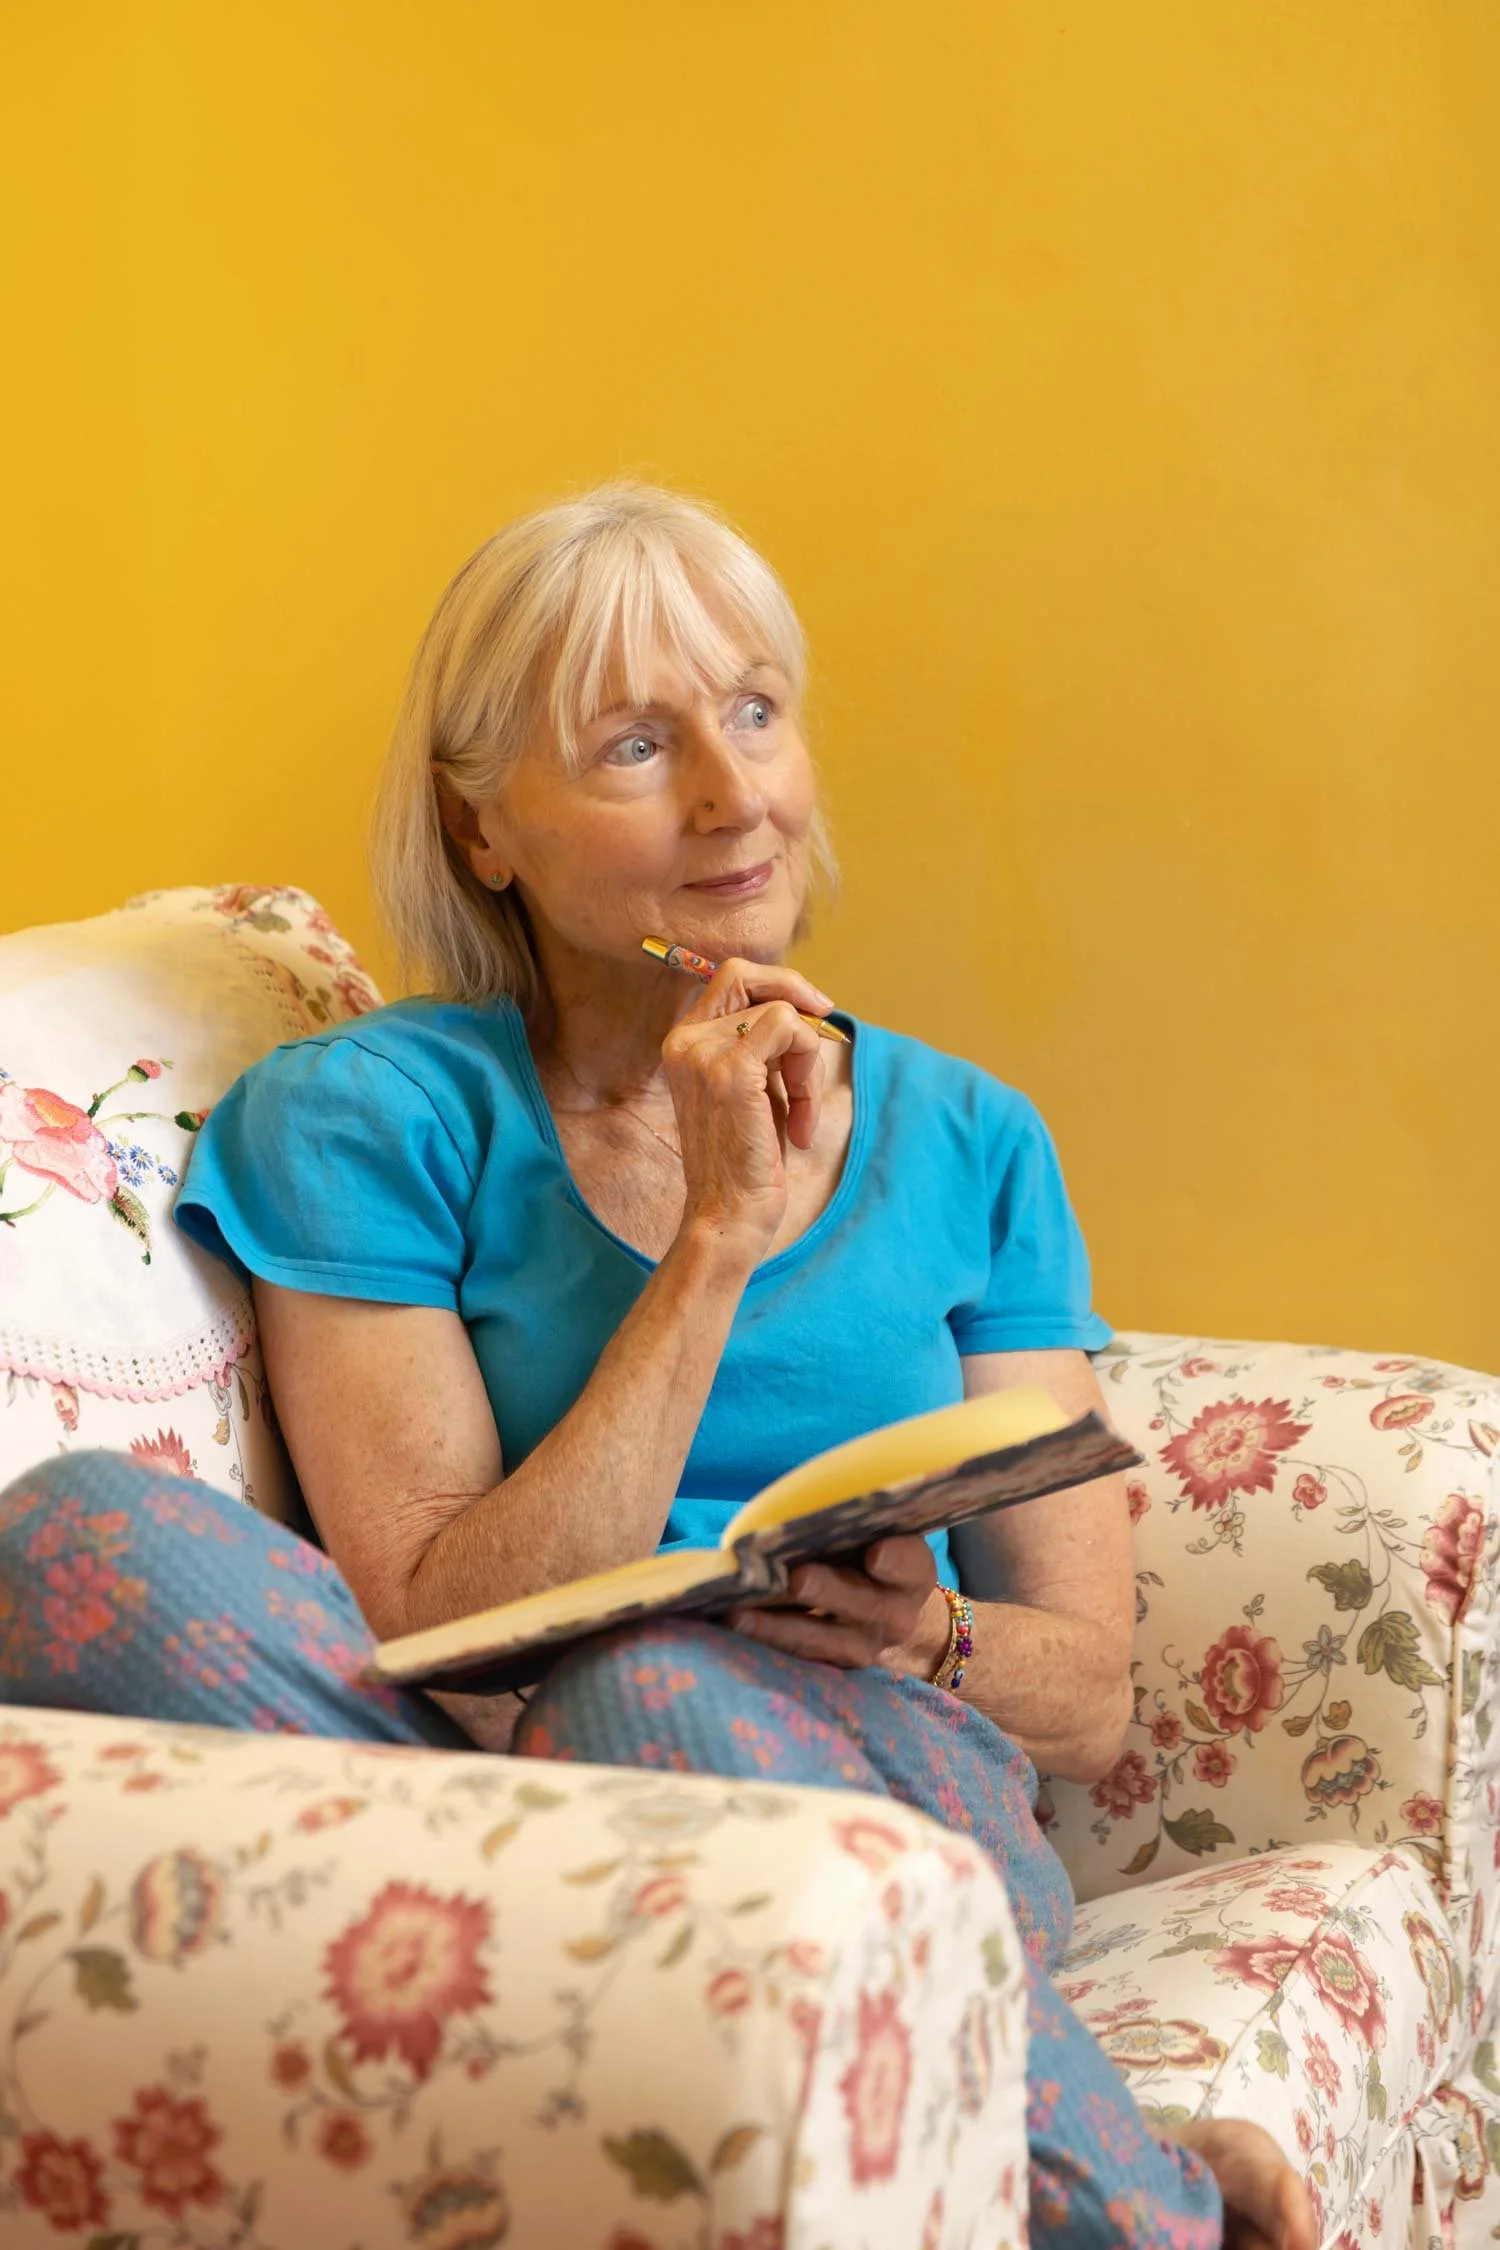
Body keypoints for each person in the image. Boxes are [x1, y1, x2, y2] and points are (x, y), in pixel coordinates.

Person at [0, 484, 1312, 2250]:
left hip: (891, 1806)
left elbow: (1084, 1692)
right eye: (635, 742)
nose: (733, 793)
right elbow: (439, 1613)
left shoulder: (973, 1140)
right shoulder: (369, 1117)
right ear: (483, 831)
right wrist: (714, 1241)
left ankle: (1112, 2201)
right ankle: (1098, 2140)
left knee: (644, 1697)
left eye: (756, 712)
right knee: (80, 1534)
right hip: (480, 1760)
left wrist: (916, 1631)